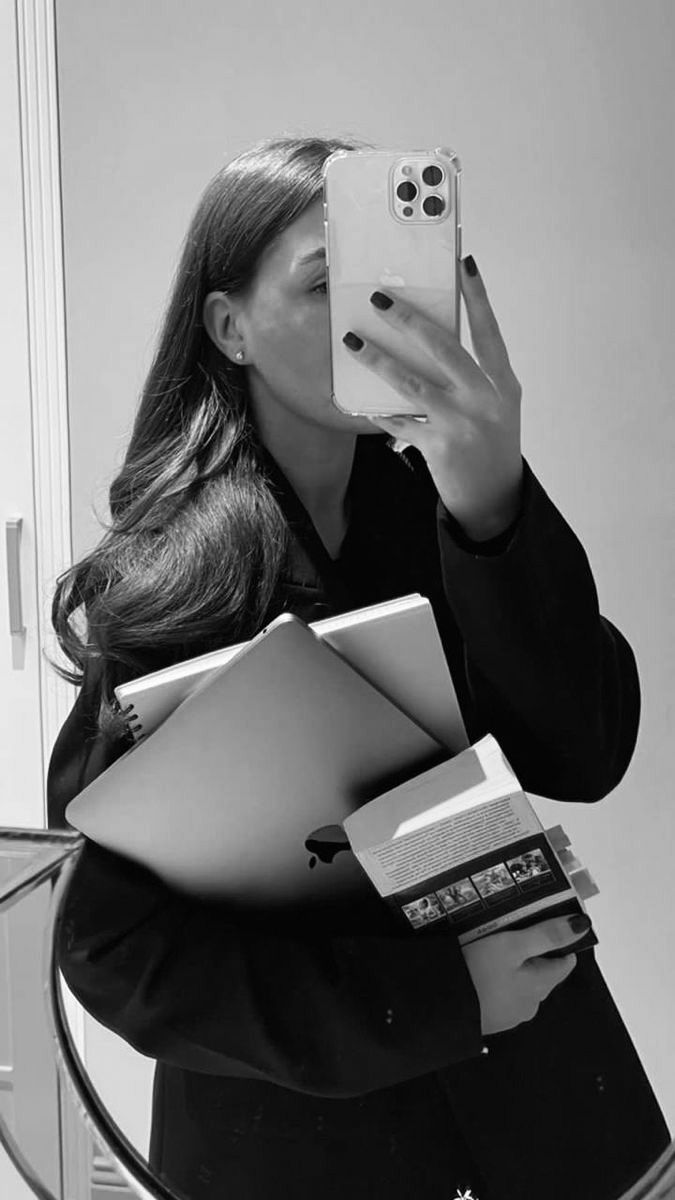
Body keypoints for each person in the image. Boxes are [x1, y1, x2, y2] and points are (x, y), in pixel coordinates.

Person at [47, 136, 669, 1200]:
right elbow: (114, 946)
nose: (371, 318)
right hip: (304, 1146)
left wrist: (493, 506)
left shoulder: (450, 504)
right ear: (229, 326)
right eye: (328, 281)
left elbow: (586, 749)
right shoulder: (169, 580)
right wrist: (436, 1000)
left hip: (551, 1104)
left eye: (391, 283)